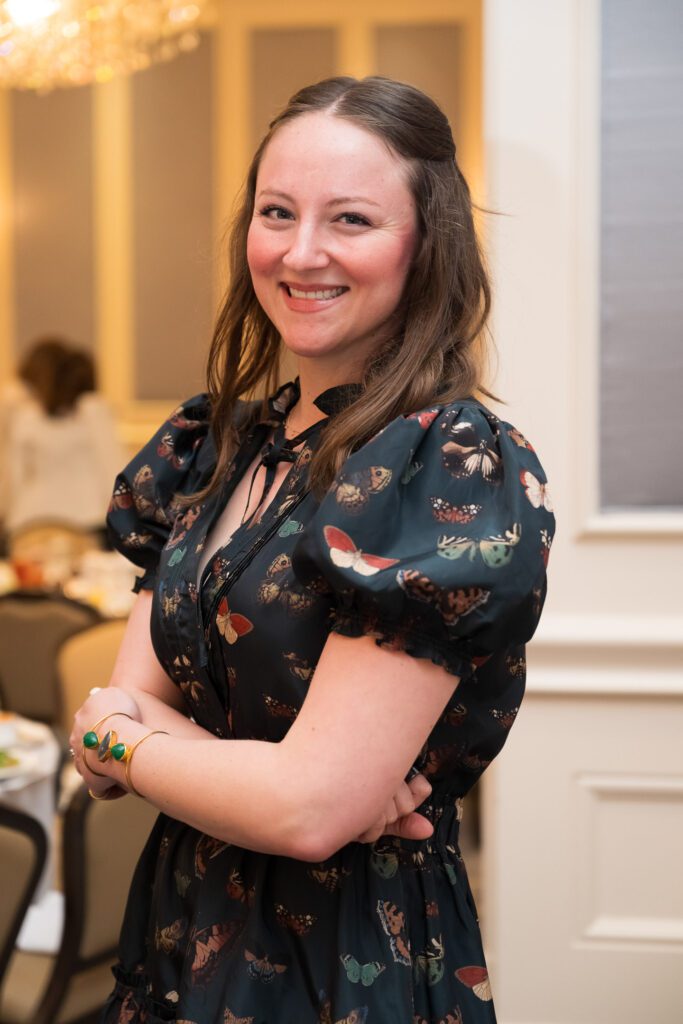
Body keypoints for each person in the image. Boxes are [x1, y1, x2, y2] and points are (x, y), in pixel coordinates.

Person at [70, 76, 555, 1024]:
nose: (300, 253)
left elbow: (301, 812)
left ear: (425, 246)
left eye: (351, 220)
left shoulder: (443, 464)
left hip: (342, 954)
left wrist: (130, 741)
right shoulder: (208, 448)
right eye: (276, 212)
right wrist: (204, 763)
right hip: (180, 922)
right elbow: (123, 729)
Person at [0, 337, 123, 541]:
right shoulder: (93, 410)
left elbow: (12, 478)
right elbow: (113, 470)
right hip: (87, 520)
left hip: (28, 523)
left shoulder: (22, 416)